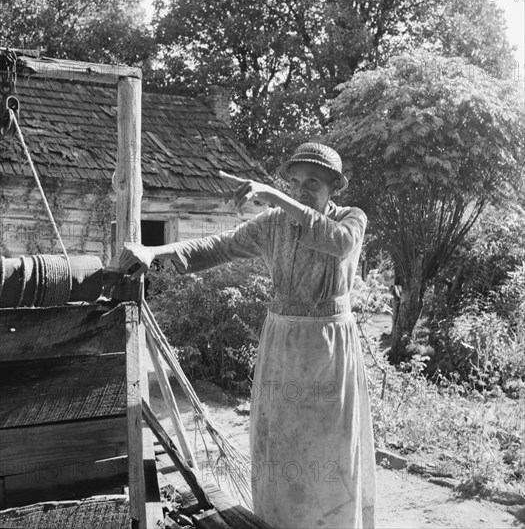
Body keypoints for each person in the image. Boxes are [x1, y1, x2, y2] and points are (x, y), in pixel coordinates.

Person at [119, 142, 377, 529]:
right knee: (279, 444)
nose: (302, 190)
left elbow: (336, 242)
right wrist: (155, 252)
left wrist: (270, 193)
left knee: (325, 452)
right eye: (295, 183)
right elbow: (218, 246)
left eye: (313, 183)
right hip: (281, 345)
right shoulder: (273, 224)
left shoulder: (351, 220)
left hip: (327, 351)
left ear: (333, 187)